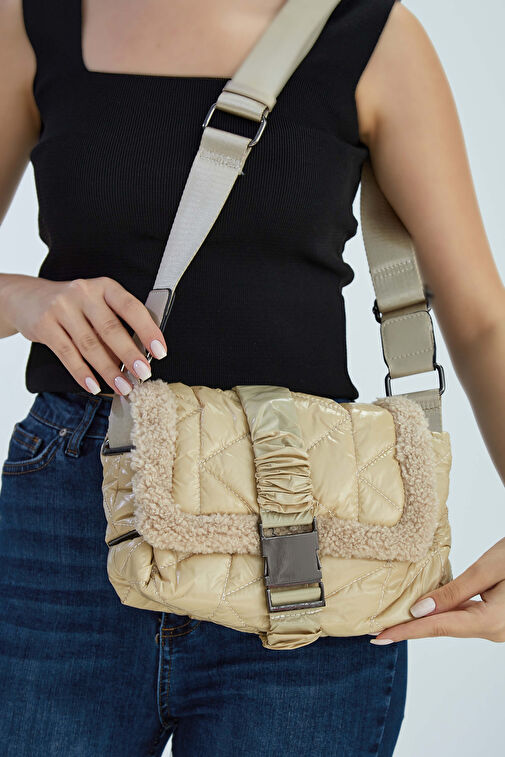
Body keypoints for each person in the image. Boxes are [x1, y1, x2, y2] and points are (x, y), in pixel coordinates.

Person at [0, 0, 504, 755]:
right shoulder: (30, 20)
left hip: (304, 520)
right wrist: (21, 298)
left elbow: (481, 319)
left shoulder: (372, 34)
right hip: (74, 521)